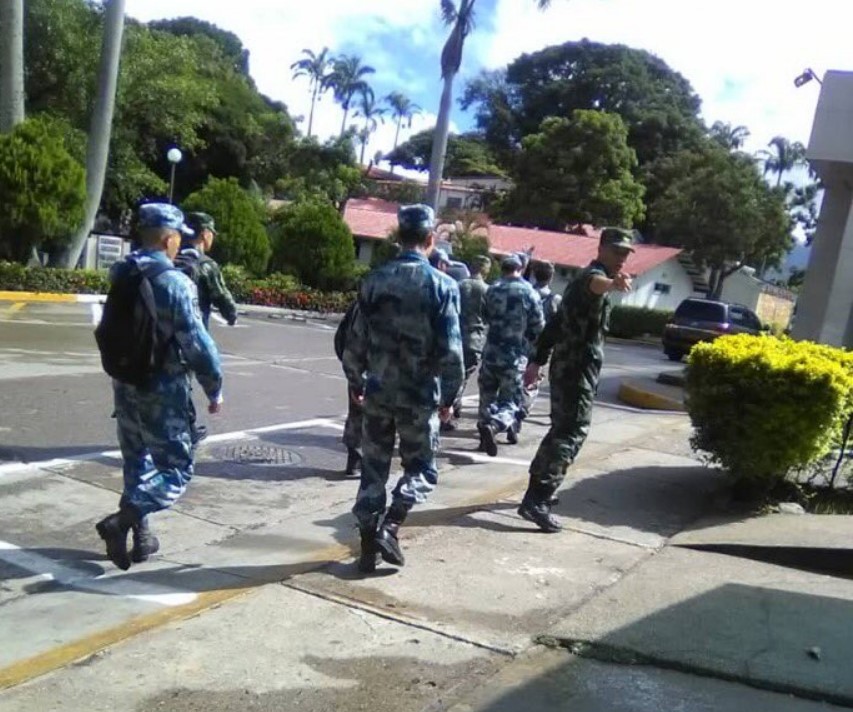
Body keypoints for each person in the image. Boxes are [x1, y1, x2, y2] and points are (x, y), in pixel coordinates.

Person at [95, 204, 224, 570]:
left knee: (137, 460)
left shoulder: (123, 274)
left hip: (125, 385)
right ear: (169, 239)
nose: (180, 240)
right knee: (177, 469)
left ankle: (141, 538)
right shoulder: (174, 282)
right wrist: (214, 388)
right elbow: (197, 344)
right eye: (178, 235)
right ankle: (122, 522)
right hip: (162, 392)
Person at [342, 204, 464, 573]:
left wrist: (354, 381)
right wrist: (450, 398)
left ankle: (367, 546)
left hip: (377, 392)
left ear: (399, 238)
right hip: (418, 395)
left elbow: (354, 341)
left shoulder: (374, 281)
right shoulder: (443, 286)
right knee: (422, 469)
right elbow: (452, 351)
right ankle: (391, 525)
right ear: (430, 240)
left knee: (373, 470)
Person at [518, 228, 634, 532]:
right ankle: (537, 499)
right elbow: (597, 286)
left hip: (572, 368)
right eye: (617, 251)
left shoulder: (585, 279)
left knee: (561, 430)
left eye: (626, 253)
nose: (621, 258)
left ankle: (539, 490)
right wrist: (612, 284)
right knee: (571, 433)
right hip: (576, 371)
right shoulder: (592, 277)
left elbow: (556, 322)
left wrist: (537, 360)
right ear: (601, 248)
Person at [477, 254, 544, 457]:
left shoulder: (491, 290)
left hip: (490, 353)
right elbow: (539, 327)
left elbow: (485, 316)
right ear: (521, 269)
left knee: (487, 396)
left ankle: (483, 435)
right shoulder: (529, 293)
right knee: (510, 401)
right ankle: (497, 425)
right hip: (514, 355)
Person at [445, 254, 491, 432]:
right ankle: (450, 410)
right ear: (485, 270)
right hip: (474, 338)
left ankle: (451, 407)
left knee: (450, 375)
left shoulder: (458, 286)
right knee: (462, 377)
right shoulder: (487, 290)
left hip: (454, 335)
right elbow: (489, 316)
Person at [518, 261, 563, 431]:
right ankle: (522, 408)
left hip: (521, 342)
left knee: (517, 377)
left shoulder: (526, 293)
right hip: (541, 345)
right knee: (533, 380)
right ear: (551, 277)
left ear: (535, 275)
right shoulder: (555, 299)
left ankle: (510, 407)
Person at [175, 212, 238, 330]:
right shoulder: (206, 264)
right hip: (194, 330)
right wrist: (231, 316)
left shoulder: (171, 257)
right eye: (212, 233)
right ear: (205, 234)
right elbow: (221, 296)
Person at [334, 299, 363, 476]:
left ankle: (356, 462)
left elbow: (343, 338)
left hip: (362, 369)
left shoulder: (367, 295)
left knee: (357, 415)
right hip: (400, 375)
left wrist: (355, 378)